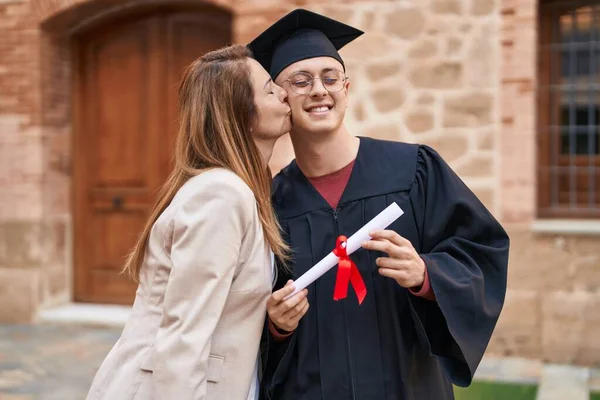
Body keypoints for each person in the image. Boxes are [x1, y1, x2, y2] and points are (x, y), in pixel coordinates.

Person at [248, 9, 510, 400]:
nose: (319, 90)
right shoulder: (271, 202)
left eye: (330, 77)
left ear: (347, 88)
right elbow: (248, 305)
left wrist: (427, 274)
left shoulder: (414, 170)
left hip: (407, 387)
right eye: (300, 81)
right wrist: (275, 326)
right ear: (282, 100)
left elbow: (482, 252)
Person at [85, 44, 300, 400]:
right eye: (269, 88)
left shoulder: (241, 190)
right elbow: (183, 338)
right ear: (240, 114)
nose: (283, 91)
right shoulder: (222, 194)